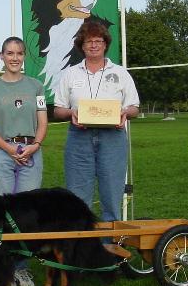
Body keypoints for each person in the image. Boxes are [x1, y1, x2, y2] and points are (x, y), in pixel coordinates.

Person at [0, 36, 48, 286]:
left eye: (19, 53)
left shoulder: (36, 86)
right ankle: (2, 267)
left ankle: (22, 268)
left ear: (24, 56)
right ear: (1, 55)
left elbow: (42, 120)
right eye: (9, 53)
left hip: (30, 151)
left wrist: (34, 145)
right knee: (0, 212)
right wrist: (8, 148)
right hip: (2, 151)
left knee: (26, 213)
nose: (14, 58)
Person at [54, 21, 139, 229]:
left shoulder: (120, 73)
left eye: (98, 41)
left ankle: (111, 251)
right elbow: (57, 110)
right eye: (89, 41)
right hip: (79, 138)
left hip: (112, 138)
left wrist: (124, 113)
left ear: (105, 44)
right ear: (81, 45)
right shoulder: (70, 74)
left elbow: (134, 108)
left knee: (112, 193)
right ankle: (81, 250)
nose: (93, 45)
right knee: (78, 196)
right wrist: (71, 113)